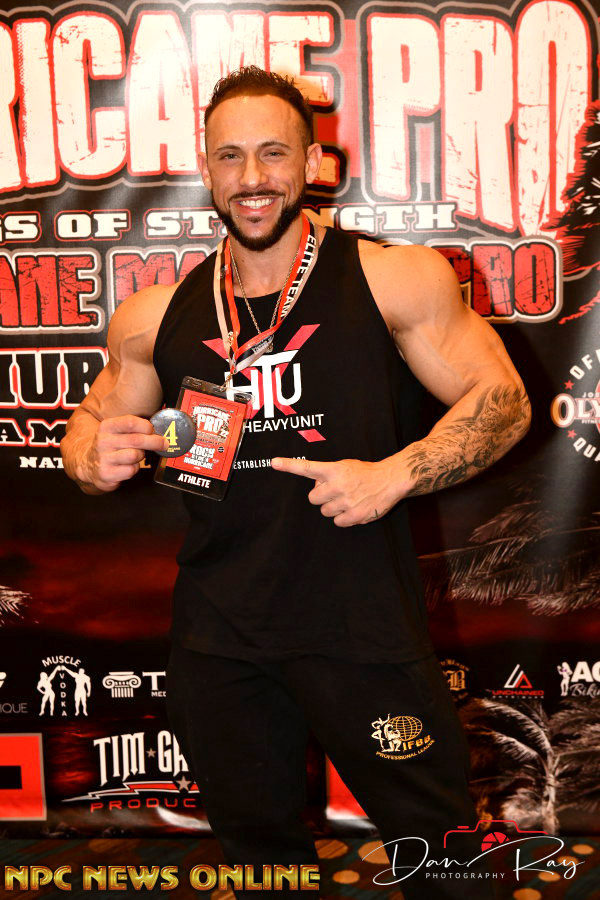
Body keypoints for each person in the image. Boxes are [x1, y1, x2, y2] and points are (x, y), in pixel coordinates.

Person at [61, 67, 530, 898]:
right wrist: (91, 457)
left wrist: (396, 473)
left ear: (312, 163)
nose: (252, 177)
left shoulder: (392, 278)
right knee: (259, 857)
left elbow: (504, 400)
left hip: (361, 628)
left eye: (273, 153)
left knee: (443, 853)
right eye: (230, 156)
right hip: (219, 639)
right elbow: (89, 428)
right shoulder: (154, 316)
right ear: (206, 169)